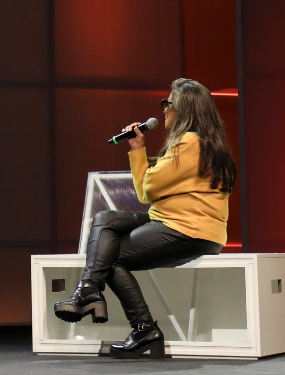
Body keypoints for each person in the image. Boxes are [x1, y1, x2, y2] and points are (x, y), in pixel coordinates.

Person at [53, 78, 236, 359]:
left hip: (186, 228)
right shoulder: (206, 143)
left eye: (167, 104)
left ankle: (143, 328)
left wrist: (137, 151)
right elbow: (152, 188)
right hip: (177, 221)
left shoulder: (188, 142)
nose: (163, 110)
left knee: (109, 257)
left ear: (183, 109)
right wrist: (138, 146)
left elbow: (146, 190)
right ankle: (89, 288)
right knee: (106, 218)